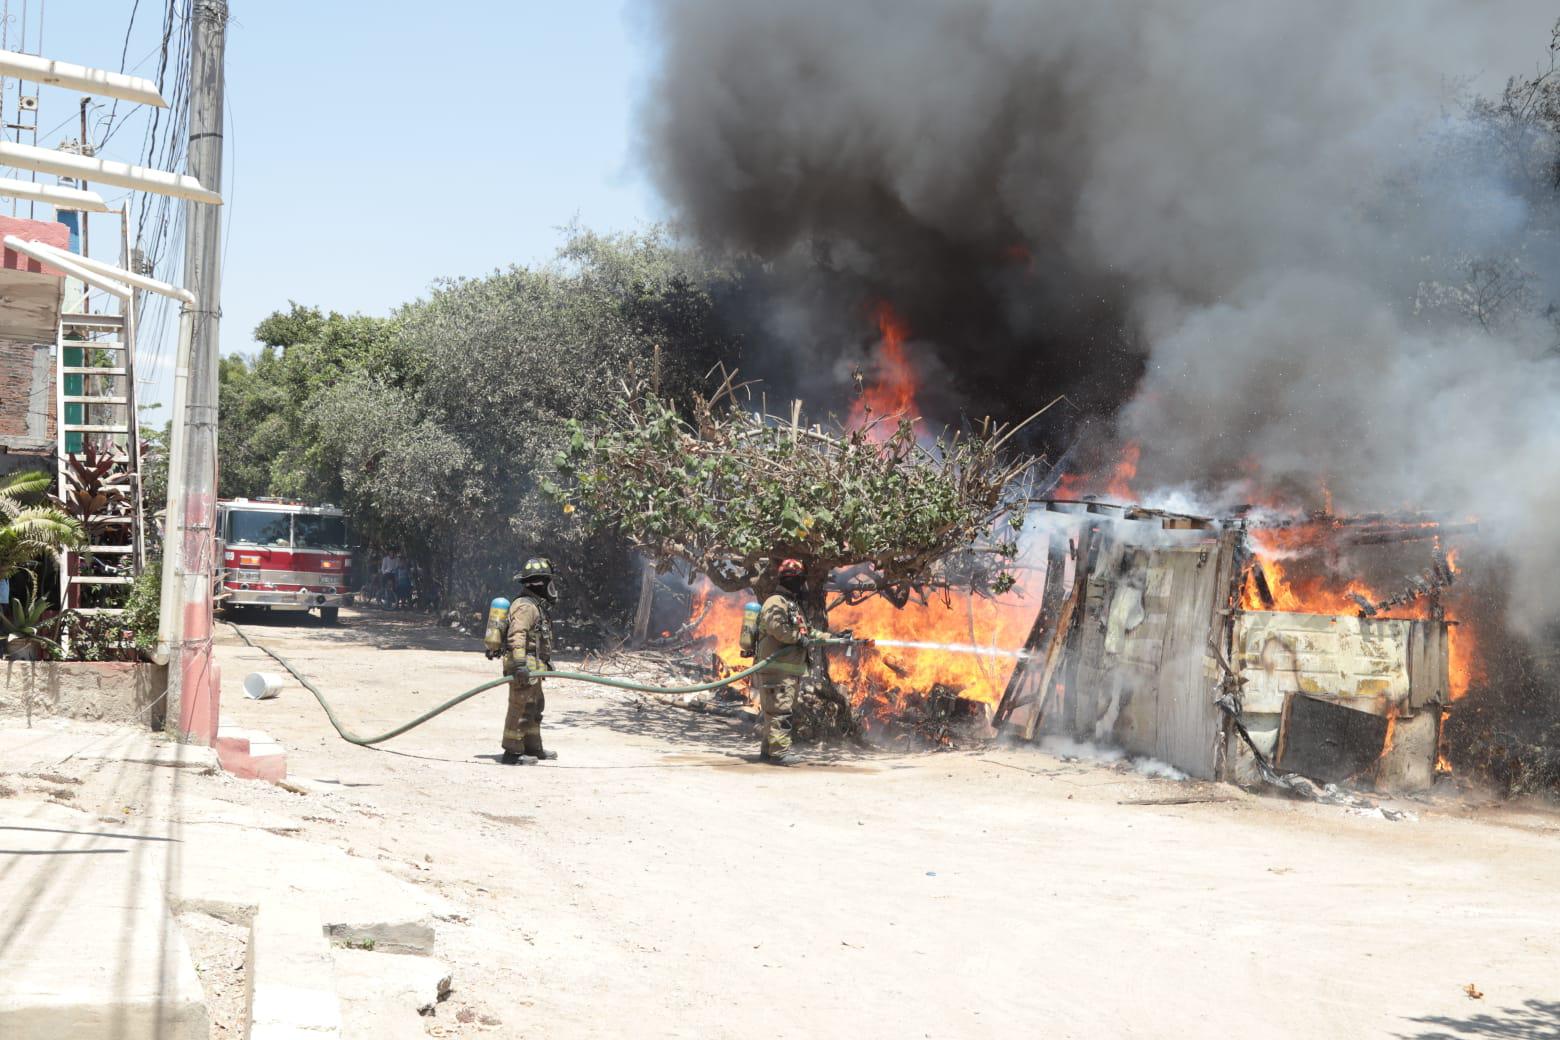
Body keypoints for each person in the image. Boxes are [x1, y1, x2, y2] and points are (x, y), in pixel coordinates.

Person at [490, 556, 559, 764]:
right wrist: (520, 664)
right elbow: (517, 634)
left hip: (533, 666)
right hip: (523, 665)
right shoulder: (525, 606)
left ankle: (532, 747)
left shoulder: (535, 605)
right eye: (548, 582)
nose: (551, 587)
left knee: (535, 706)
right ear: (540, 584)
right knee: (519, 707)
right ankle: (512, 752)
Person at [754, 557, 811, 764]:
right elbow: (777, 628)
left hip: (786, 672)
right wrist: (798, 638)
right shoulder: (775, 602)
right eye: (798, 579)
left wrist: (839, 637)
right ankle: (779, 754)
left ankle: (768, 752)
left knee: (775, 712)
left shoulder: (791, 605)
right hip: (776, 671)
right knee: (780, 713)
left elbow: (807, 633)